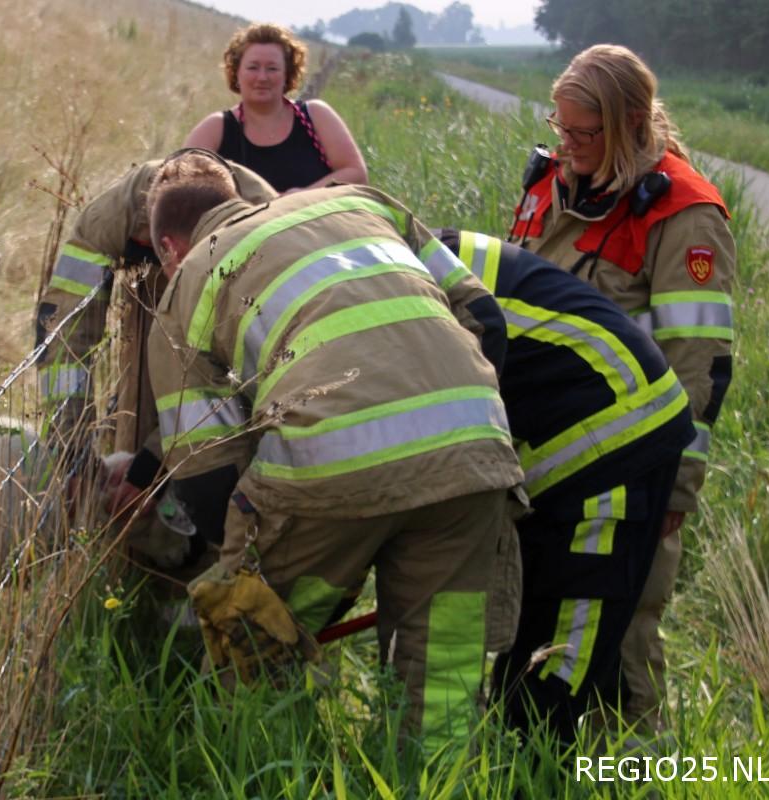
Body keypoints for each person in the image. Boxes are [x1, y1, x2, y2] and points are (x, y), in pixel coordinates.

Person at [145, 152, 522, 751]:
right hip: (471, 453)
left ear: (169, 247)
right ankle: (435, 779)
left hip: (326, 472)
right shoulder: (363, 203)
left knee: (256, 652)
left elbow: (204, 473)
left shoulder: (187, 283)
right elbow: (486, 318)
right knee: (445, 675)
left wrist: (257, 558)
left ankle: (275, 776)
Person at [506, 44, 735, 735]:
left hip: (632, 466)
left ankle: (632, 763)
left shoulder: (684, 215)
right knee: (526, 611)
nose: (566, 145)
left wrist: (678, 484)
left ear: (632, 123)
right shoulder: (549, 183)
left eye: (583, 133)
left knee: (626, 627)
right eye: (561, 129)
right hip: (537, 457)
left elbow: (699, 365)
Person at [435, 229, 695, 743]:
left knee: (555, 667)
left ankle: (569, 767)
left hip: (616, 433)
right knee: (530, 634)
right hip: (569, 425)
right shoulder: (382, 252)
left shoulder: (388, 284)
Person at [34, 153, 275, 508]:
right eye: (173, 259)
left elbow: (235, 380)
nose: (180, 271)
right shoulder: (110, 219)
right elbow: (63, 334)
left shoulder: (264, 221)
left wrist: (149, 466)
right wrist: (73, 454)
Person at [182, 23, 367, 193]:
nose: (262, 77)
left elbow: (356, 174)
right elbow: (179, 184)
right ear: (236, 73)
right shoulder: (216, 128)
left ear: (287, 74)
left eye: (272, 68)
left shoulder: (316, 115)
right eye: (253, 67)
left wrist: (302, 198)